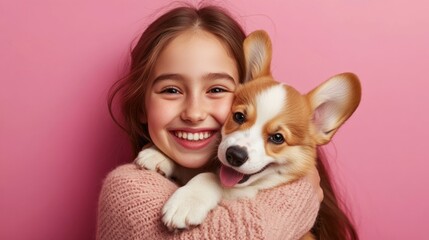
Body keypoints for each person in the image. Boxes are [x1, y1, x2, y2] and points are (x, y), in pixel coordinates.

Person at [97, 3, 357, 240]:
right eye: (171, 90)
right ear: (141, 105)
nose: (195, 113)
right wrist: (303, 196)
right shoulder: (127, 190)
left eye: (217, 89)